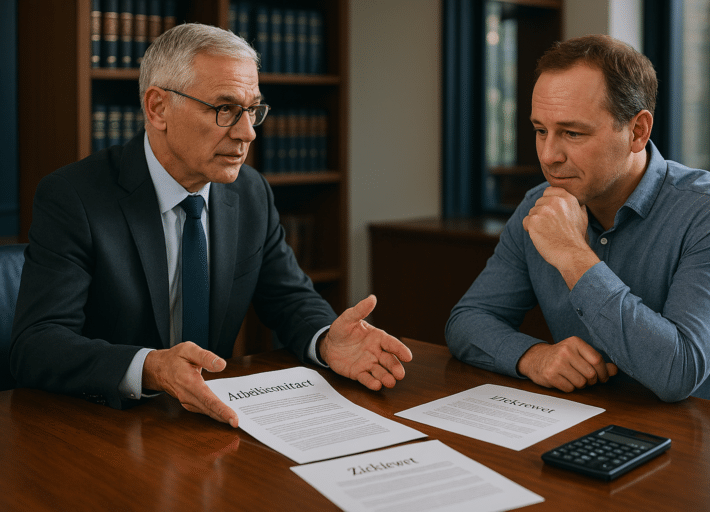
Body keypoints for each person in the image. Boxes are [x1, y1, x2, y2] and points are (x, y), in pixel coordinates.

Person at [10, 23, 412, 427]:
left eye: (252, 109)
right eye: (225, 109)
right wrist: (152, 367)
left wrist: (325, 341)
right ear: (158, 108)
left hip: (211, 424)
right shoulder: (74, 196)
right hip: (106, 426)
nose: (247, 132)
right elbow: (37, 344)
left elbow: (289, 298)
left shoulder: (250, 192)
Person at [445, 34, 710, 409]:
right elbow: (467, 322)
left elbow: (679, 373)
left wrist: (573, 255)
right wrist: (532, 357)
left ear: (637, 131)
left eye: (572, 133)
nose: (548, 156)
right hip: (591, 422)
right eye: (540, 130)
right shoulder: (539, 207)